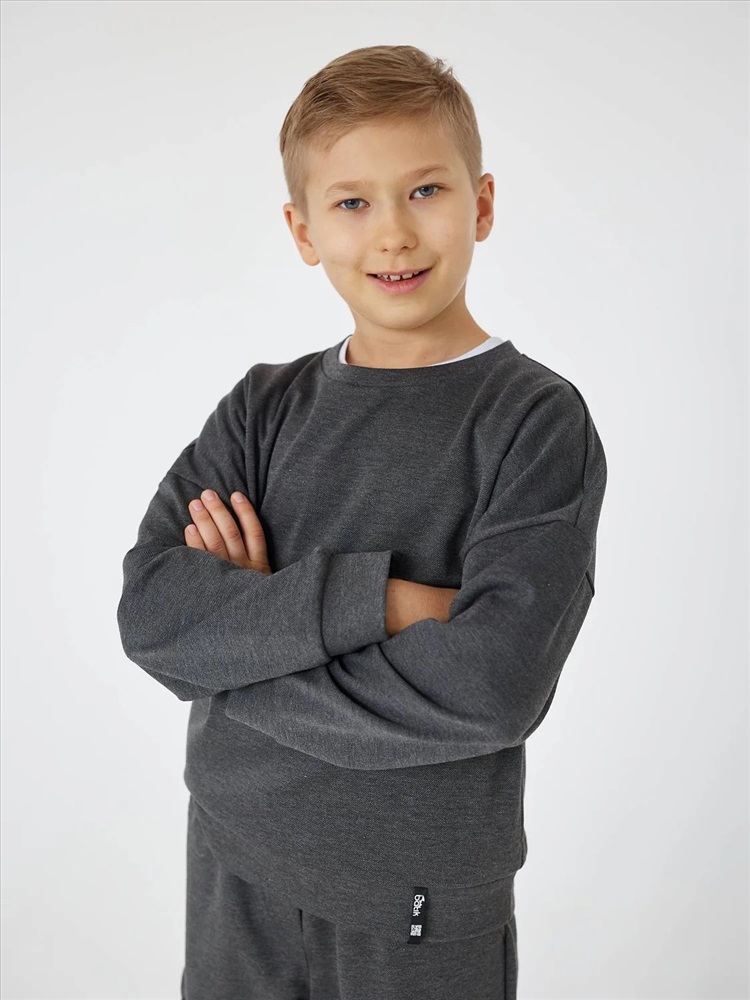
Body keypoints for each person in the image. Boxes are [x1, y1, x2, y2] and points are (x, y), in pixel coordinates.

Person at [117, 43, 607, 1000]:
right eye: (351, 202)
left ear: (483, 204)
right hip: (232, 864)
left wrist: (239, 656)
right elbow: (154, 615)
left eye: (425, 190)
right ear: (302, 230)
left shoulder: (533, 421)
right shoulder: (262, 409)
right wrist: (384, 601)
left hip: (415, 901)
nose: (393, 233)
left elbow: (491, 686)